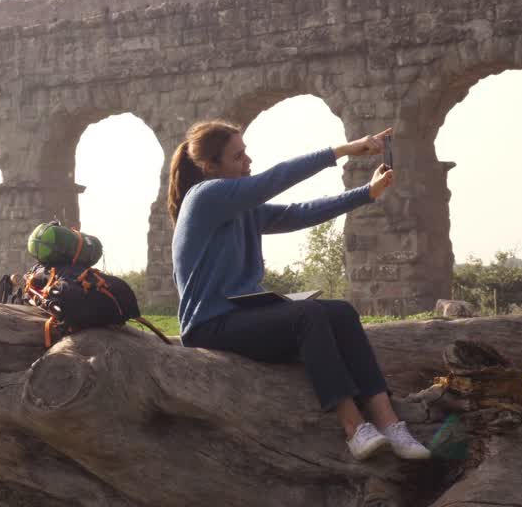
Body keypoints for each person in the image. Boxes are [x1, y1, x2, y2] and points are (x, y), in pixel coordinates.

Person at [168, 120, 429, 461]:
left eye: (245, 153)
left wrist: (367, 193)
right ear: (209, 167)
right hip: (209, 326)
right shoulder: (206, 197)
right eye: (238, 156)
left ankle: (390, 423)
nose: (248, 161)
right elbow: (277, 178)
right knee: (307, 316)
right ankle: (354, 428)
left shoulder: (241, 207)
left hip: (242, 315)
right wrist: (345, 149)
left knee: (341, 312)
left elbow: (298, 214)